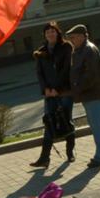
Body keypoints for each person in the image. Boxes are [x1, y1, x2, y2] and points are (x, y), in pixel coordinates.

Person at [29, 21, 76, 167]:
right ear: (45, 35)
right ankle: (44, 158)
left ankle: (70, 152)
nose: (50, 34)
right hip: (49, 94)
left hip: (64, 92)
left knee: (66, 121)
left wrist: (58, 88)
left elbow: (66, 69)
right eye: (47, 32)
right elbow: (39, 73)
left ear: (57, 33)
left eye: (53, 31)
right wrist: (46, 89)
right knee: (49, 123)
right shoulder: (41, 51)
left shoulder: (66, 47)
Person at [66, 24, 100, 168]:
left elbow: (90, 76)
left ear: (81, 36)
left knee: (96, 126)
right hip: (90, 94)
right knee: (97, 125)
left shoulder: (88, 50)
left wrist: (77, 88)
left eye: (73, 37)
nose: (71, 40)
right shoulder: (82, 50)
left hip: (92, 94)